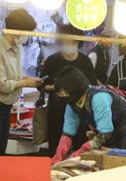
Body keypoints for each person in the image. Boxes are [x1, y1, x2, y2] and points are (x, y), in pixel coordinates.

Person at [0, 8, 41, 156]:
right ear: (17, 30)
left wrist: (28, 79)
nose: (26, 37)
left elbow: (14, 76)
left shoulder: (15, 49)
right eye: (26, 32)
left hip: (5, 107)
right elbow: (2, 84)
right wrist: (25, 84)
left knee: (0, 152)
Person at [52, 66, 126, 162]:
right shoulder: (71, 104)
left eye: (63, 91)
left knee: (125, 163)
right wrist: (60, 152)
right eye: (60, 92)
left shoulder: (98, 97)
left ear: (73, 86)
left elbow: (105, 133)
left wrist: (84, 148)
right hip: (108, 133)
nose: (61, 95)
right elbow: (68, 133)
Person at [40, 24, 96, 156]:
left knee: (79, 151)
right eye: (65, 41)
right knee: (55, 149)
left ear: (78, 42)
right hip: (57, 113)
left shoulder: (85, 61)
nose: (69, 44)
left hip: (80, 114)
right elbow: (42, 85)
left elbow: (92, 86)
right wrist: (57, 87)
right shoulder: (52, 61)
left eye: (72, 41)